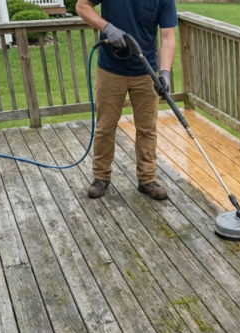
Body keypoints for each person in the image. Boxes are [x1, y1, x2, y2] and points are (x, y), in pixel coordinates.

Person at [76, 0, 176, 200]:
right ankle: (101, 177)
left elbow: (167, 37)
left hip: (146, 71)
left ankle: (147, 179)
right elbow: (81, 6)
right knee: (105, 126)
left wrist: (164, 73)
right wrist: (107, 27)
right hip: (110, 71)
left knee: (147, 129)